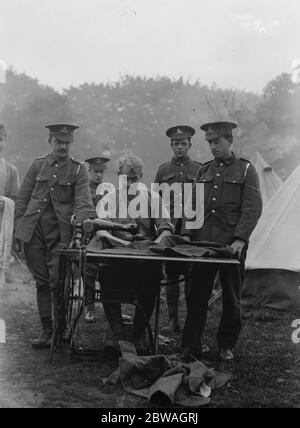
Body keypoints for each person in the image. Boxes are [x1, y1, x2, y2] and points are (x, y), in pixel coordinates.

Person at [181, 121, 262, 362]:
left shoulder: (246, 170)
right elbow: (192, 207)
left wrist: (240, 239)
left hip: (231, 247)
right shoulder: (203, 171)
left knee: (231, 298)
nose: (212, 147)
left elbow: (252, 208)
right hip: (204, 245)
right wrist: (186, 233)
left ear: (229, 141)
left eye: (217, 142)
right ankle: (190, 345)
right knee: (196, 297)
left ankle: (226, 345)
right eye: (209, 142)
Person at [14, 123, 94, 349]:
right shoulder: (37, 165)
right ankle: (47, 329)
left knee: (58, 282)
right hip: (34, 232)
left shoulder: (79, 170)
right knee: (41, 282)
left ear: (71, 144)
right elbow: (23, 198)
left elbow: (83, 203)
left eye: (67, 143)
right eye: (59, 142)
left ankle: (61, 328)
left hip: (60, 234)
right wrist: (18, 232)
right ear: (50, 141)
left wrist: (79, 223)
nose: (63, 146)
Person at [97, 154, 174, 354]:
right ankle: (117, 332)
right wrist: (118, 241)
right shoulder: (109, 199)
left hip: (144, 259)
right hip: (117, 258)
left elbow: (166, 227)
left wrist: (155, 244)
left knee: (152, 278)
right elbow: (100, 229)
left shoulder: (153, 198)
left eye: (134, 179)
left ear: (141, 176)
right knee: (106, 275)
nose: (130, 183)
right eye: (126, 178)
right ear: (118, 176)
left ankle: (138, 332)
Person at [154, 126, 201, 333]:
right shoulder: (163, 170)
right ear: (171, 145)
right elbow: (155, 201)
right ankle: (173, 319)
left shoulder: (200, 169)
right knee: (172, 273)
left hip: (193, 229)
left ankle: (192, 319)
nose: (180, 147)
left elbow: (202, 201)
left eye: (183, 144)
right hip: (171, 228)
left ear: (190, 145)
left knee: (193, 273)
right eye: (176, 144)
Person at [84, 155, 110, 322]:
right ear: (89, 171)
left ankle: (111, 307)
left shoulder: (109, 190)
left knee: (109, 270)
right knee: (89, 272)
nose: (99, 175)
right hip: (87, 234)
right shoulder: (83, 189)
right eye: (95, 171)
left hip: (105, 234)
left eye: (101, 172)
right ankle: (90, 308)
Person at [0, 123, 20, 287]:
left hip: (1, 227)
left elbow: (15, 200)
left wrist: (4, 202)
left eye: (0, 139)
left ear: (5, 142)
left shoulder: (11, 170)